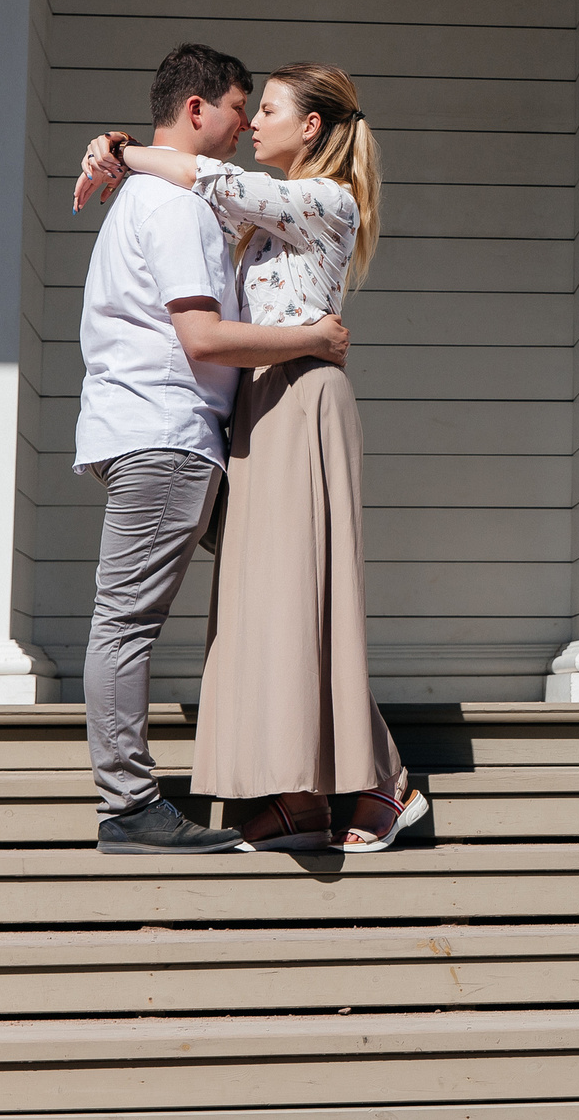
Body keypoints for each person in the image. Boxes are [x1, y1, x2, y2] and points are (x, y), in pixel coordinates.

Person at [78, 62, 427, 853]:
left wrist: (121, 149)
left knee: (307, 593)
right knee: (268, 600)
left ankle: (379, 778)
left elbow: (207, 175)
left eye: (267, 110)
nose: (252, 123)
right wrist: (114, 147)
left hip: (299, 399)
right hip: (256, 408)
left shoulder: (323, 198)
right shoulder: (248, 218)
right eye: (246, 108)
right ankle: (298, 792)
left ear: (311, 127)